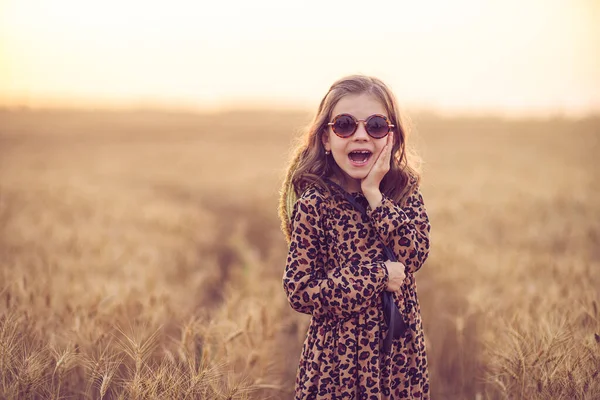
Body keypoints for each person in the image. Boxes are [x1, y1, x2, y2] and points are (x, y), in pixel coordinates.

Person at [278, 75, 431, 399]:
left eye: (375, 126)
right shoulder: (315, 204)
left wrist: (374, 195)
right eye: (345, 125)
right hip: (336, 369)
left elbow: (414, 255)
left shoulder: (402, 193)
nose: (360, 135)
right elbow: (300, 290)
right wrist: (376, 275)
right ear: (326, 138)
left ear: (391, 136)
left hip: (399, 365)